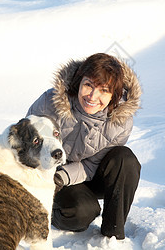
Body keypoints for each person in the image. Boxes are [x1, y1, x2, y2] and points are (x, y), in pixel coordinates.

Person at [26, 53, 142, 240]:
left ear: (115, 95)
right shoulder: (50, 102)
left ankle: (112, 236)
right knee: (82, 212)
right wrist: (47, 179)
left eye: (104, 90)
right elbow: (27, 143)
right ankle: (45, 211)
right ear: (79, 82)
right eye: (88, 85)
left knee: (125, 159)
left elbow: (92, 165)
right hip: (49, 173)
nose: (93, 96)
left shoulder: (121, 121)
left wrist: (62, 177)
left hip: (87, 173)